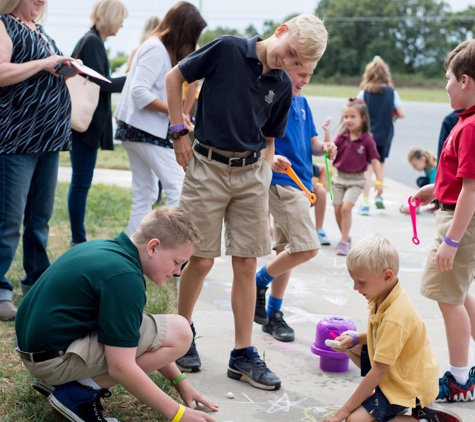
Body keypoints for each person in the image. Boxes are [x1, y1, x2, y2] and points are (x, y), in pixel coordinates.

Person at [166, 14, 328, 389]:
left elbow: (270, 136)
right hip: (206, 165)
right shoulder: (227, 49)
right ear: (281, 31)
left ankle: (242, 354)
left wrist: (270, 163)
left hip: (252, 172)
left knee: (247, 261)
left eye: (297, 63)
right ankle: (183, 332)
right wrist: (178, 131)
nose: (286, 64)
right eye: (289, 54)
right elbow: (176, 77)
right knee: (201, 258)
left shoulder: (283, 84)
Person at [15, 207, 219, 422]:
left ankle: (69, 384)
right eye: (177, 262)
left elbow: (130, 334)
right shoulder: (125, 277)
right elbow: (121, 367)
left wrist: (180, 381)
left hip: (40, 351)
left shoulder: (107, 250)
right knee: (180, 332)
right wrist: (178, 413)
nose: (177, 271)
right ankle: (78, 393)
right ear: (153, 247)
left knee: (162, 329)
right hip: (54, 362)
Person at [322, 234, 461, 422]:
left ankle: (424, 420)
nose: (355, 287)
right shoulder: (381, 294)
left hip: (407, 385)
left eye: (361, 282)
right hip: (399, 370)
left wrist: (342, 412)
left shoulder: (396, 316)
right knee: (350, 340)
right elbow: (380, 336)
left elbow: (378, 371)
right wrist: (355, 339)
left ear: (387, 276)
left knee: (355, 420)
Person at [0, 0, 77, 317]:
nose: (42, 0)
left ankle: (37, 282)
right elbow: (2, 72)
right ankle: (1, 292)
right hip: (17, 139)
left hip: (49, 139)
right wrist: (43, 63)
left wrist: (64, 70)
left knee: (39, 219)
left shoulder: (40, 30)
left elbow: (43, 72)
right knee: (9, 220)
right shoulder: (4, 24)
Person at [254, 64, 337, 342]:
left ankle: (273, 314)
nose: (306, 80)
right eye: (301, 74)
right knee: (307, 247)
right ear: (284, 67)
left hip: (302, 184)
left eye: (310, 75)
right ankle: (258, 281)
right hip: (282, 182)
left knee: (285, 252)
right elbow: (261, 138)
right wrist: (270, 157)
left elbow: (312, 142)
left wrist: (324, 147)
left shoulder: (302, 101)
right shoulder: (272, 97)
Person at [413, 40, 475, 404]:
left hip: (460, 224)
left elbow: (470, 189)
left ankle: (460, 379)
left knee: (447, 298)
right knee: (459, 292)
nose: (446, 86)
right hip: (454, 214)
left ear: (465, 81)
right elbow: (457, 181)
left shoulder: (469, 127)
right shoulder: (465, 121)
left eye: (449, 79)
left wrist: (451, 242)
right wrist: (433, 191)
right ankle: (464, 373)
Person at [115, 1, 206, 235]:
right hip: (145, 132)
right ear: (183, 30)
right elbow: (139, 92)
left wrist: (179, 114)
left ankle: (134, 256)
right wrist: (174, 112)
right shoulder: (156, 48)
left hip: (136, 131)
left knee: (144, 195)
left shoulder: (156, 47)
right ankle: (177, 257)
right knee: (180, 188)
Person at [67, 0, 128, 248]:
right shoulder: (92, 41)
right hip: (83, 126)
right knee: (81, 181)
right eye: (121, 19)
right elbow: (101, 82)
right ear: (111, 17)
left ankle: (78, 235)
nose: (122, 25)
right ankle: (78, 237)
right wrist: (130, 79)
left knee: (81, 180)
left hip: (87, 125)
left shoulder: (94, 41)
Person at [323, 98, 383, 256]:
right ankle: (346, 236)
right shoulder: (341, 138)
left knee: (346, 208)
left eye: (352, 116)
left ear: (363, 118)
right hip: (339, 179)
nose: (348, 120)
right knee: (337, 209)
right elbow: (329, 154)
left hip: (356, 180)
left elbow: (376, 162)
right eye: (345, 116)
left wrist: (379, 182)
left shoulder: (367, 140)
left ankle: (343, 240)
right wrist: (327, 133)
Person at [357, 56, 405, 215]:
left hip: (367, 135)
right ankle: (379, 196)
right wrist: (391, 115)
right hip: (385, 134)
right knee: (381, 165)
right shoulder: (392, 93)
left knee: (367, 168)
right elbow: (402, 113)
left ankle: (364, 203)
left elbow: (356, 110)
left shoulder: (364, 93)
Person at [399, 147, 437, 214]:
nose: (414, 168)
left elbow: (433, 190)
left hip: (440, 193)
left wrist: (416, 206)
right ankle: (437, 205)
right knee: (421, 180)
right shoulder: (427, 168)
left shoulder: (433, 171)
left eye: (415, 165)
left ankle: (438, 205)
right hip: (439, 192)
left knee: (422, 182)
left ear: (423, 159)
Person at [312, 162, 331, 245]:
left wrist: (319, 184)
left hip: (307, 194)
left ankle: (319, 229)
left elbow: (322, 168)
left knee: (321, 191)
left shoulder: (305, 164)